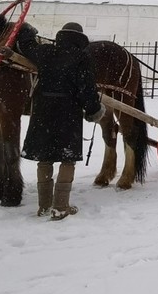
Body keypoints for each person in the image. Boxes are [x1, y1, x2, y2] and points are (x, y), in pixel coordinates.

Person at [21, 22, 103, 220]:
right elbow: (87, 89)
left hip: (43, 112)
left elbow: (27, 46)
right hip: (68, 112)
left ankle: (44, 206)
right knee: (67, 158)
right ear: (80, 40)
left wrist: (26, 31)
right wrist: (94, 110)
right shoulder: (81, 58)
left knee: (45, 158)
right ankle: (60, 206)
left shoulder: (45, 52)